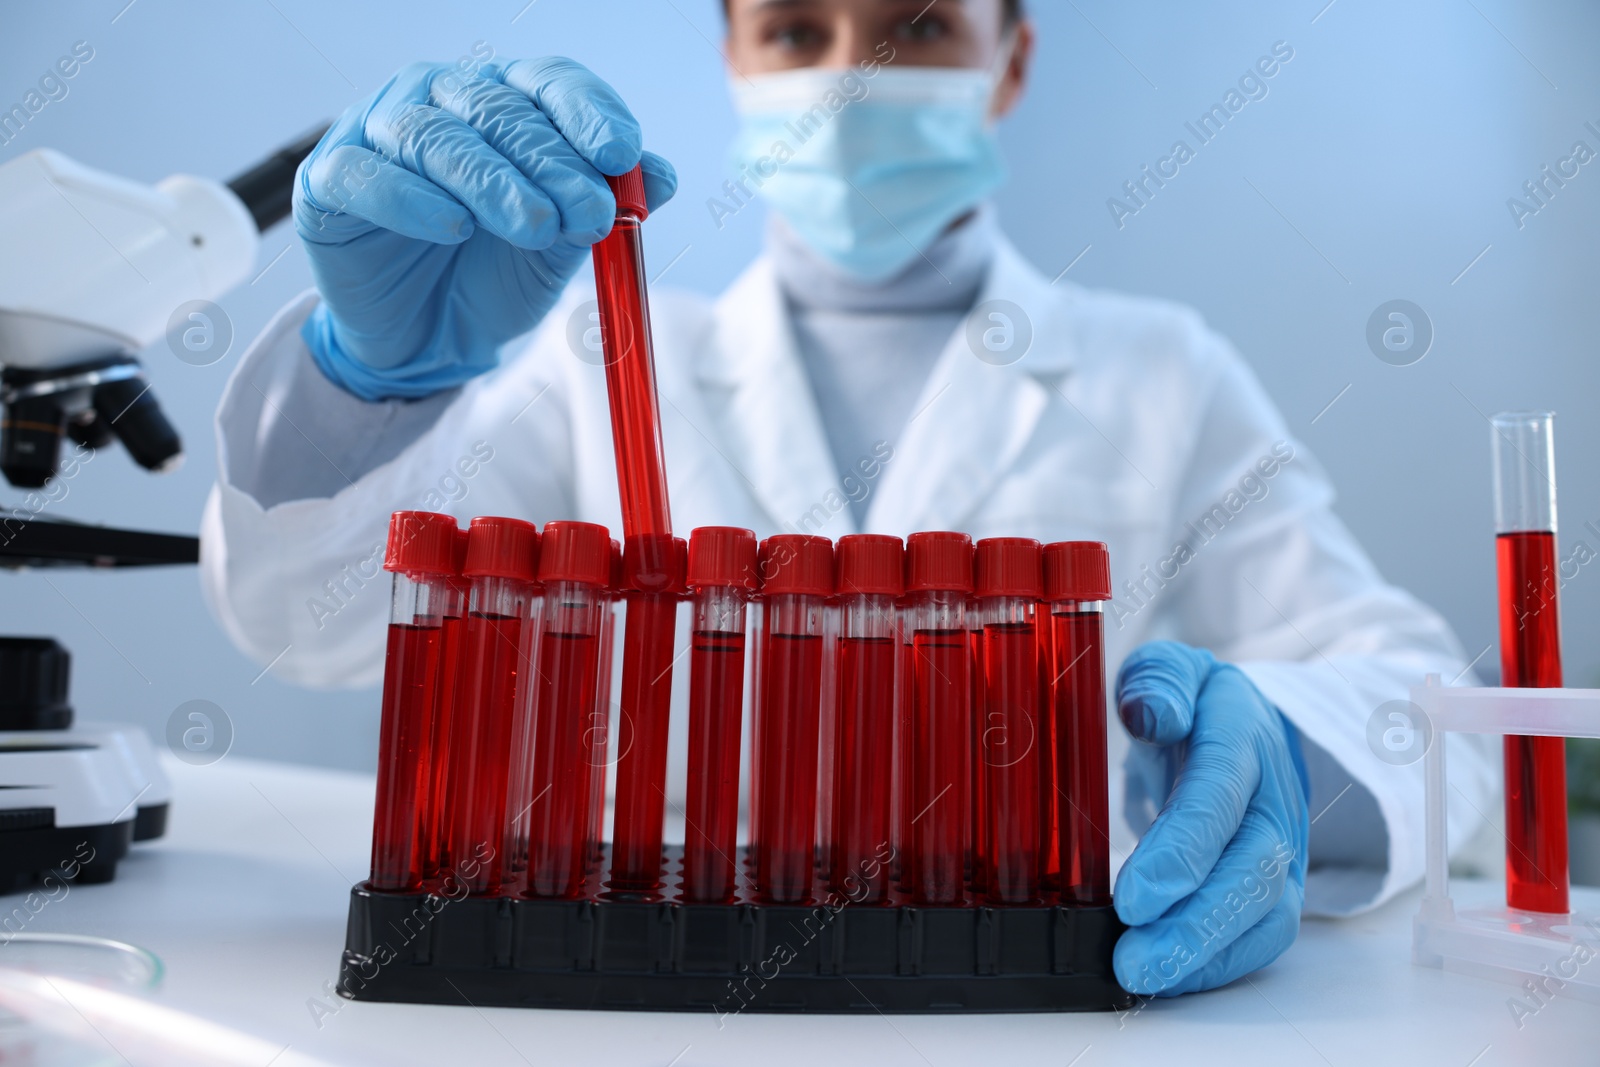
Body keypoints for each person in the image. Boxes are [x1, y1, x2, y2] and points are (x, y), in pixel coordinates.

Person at [200, 0, 1494, 998]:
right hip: (628, 999)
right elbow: (315, 628)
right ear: (735, 59)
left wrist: (1288, 749)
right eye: (799, 29)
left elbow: (1428, 705)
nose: (856, 72)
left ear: (1014, 61)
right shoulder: (598, 362)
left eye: (919, 23)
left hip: (1011, 999)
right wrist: (372, 385)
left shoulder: (1159, 368)